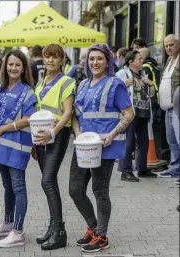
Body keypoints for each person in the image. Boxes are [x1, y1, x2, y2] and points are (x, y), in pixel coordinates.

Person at [69, 43, 134, 253]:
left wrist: (112, 135)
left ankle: (102, 236)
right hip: (83, 146)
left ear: (107, 62)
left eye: (99, 58)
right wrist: (77, 134)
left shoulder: (115, 84)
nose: (94, 62)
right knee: (75, 190)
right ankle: (93, 225)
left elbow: (129, 113)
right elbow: (75, 116)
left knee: (99, 190)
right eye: (91, 59)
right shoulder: (83, 85)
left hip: (105, 147)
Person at [0, 50, 37, 248]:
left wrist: (3, 128)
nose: (14, 68)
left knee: (18, 187)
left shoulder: (27, 92)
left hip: (17, 145)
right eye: (10, 64)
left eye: (18, 64)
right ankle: (8, 223)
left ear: (24, 67)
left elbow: (28, 119)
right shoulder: (0, 89)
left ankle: (18, 231)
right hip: (1, 146)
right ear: (4, 67)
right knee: (7, 187)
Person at [33, 43, 76, 250]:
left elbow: (68, 113)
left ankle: (59, 232)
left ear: (62, 60)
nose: (50, 60)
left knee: (47, 180)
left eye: (55, 57)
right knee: (48, 183)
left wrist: (53, 132)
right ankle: (53, 227)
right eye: (47, 57)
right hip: (41, 138)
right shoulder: (41, 82)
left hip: (57, 135)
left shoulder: (66, 81)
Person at [116, 50, 157, 182]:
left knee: (143, 141)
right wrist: (124, 84)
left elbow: (150, 94)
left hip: (143, 111)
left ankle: (142, 168)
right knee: (128, 142)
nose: (142, 60)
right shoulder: (122, 73)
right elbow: (113, 90)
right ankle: (126, 171)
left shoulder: (143, 74)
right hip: (130, 113)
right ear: (131, 62)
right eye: (139, 59)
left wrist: (150, 84)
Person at [158, 34, 179, 178]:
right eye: (166, 46)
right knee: (172, 141)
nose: (168, 48)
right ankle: (175, 168)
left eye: (171, 45)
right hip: (167, 108)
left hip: (177, 108)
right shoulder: (169, 60)